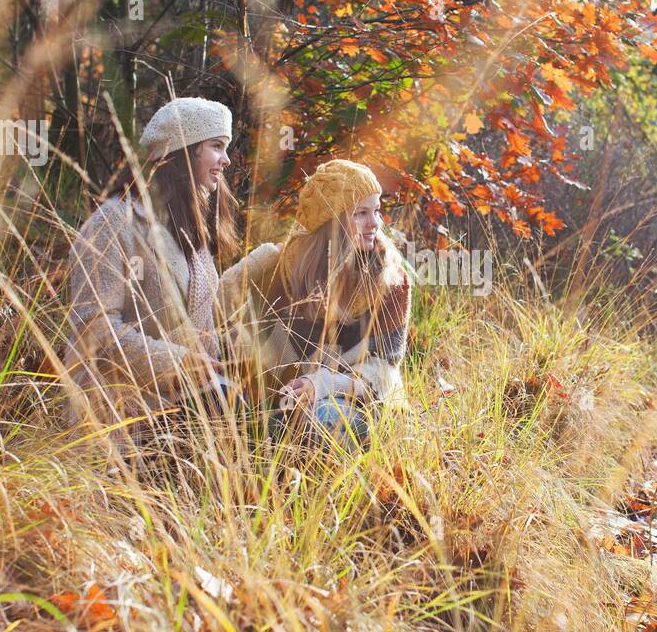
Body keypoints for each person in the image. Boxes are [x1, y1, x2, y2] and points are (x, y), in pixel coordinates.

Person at [63, 96, 247, 435]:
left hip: (183, 412)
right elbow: (93, 328)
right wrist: (178, 363)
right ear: (184, 150)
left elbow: (200, 321)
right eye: (217, 146)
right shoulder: (113, 223)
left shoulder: (190, 228)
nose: (226, 160)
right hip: (120, 419)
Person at [223, 159, 411, 449]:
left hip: (357, 404)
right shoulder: (278, 266)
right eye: (360, 213)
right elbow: (211, 304)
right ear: (329, 222)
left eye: (376, 210)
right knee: (220, 401)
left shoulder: (392, 281)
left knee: (321, 419)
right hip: (275, 403)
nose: (375, 223)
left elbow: (384, 371)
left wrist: (323, 384)